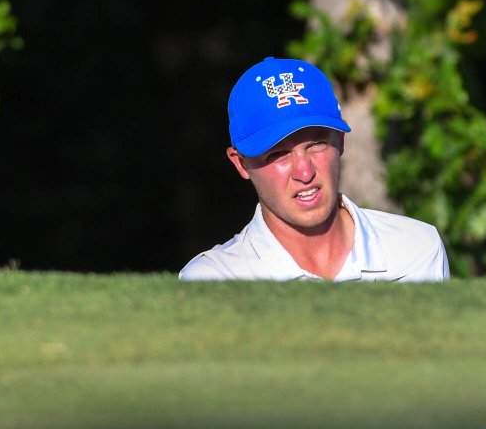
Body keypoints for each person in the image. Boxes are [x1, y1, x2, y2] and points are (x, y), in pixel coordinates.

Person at [179, 57, 449, 282]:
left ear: (340, 143)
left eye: (317, 144)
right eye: (279, 153)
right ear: (241, 164)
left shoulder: (417, 250)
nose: (304, 172)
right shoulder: (214, 282)